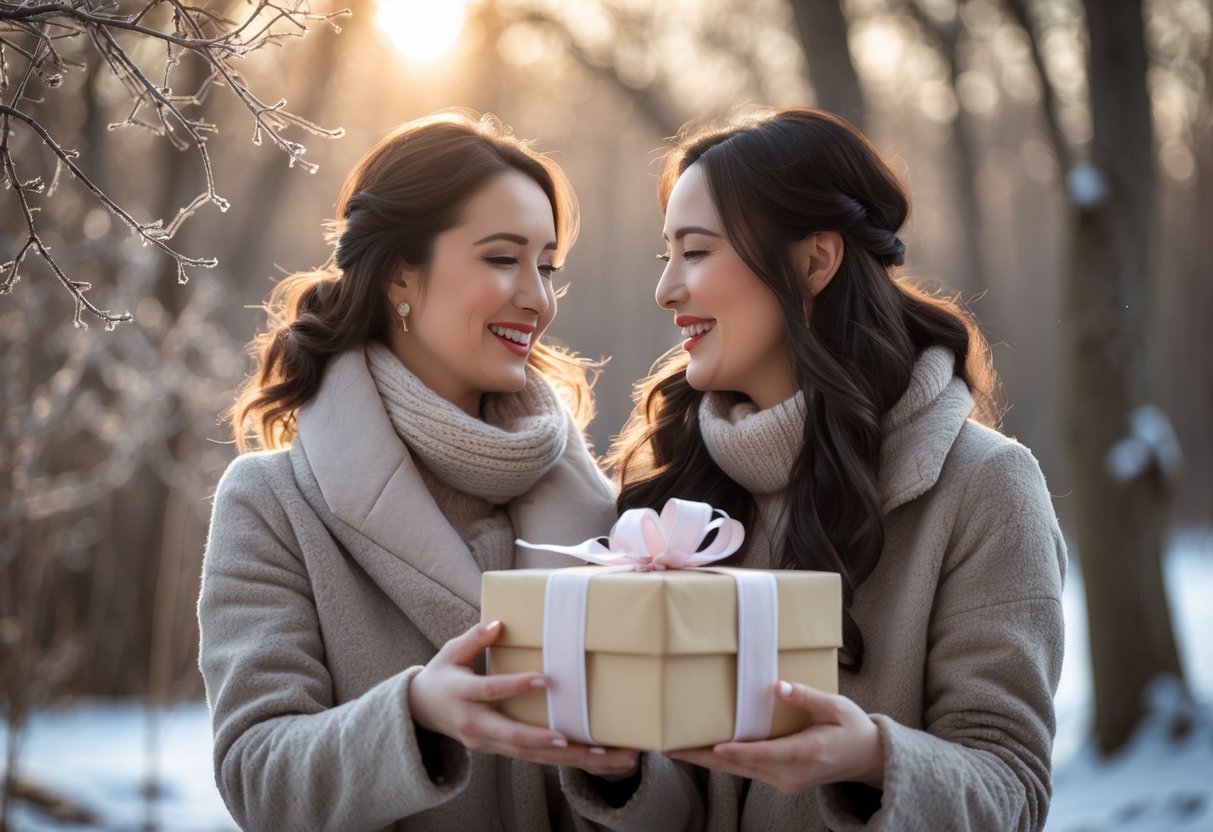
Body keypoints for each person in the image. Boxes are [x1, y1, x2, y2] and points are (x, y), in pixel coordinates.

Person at [198, 111, 699, 831]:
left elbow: (685, 801)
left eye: (548, 266)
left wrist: (625, 774)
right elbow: (258, 778)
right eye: (502, 259)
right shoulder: (273, 503)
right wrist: (416, 719)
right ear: (402, 273)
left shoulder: (614, 513)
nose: (538, 297)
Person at [607, 106, 1067, 831]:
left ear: (814, 261)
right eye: (664, 255)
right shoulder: (666, 480)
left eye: (695, 252)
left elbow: (1010, 791)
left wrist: (870, 762)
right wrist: (621, 769)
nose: (666, 288)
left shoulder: (984, 487)